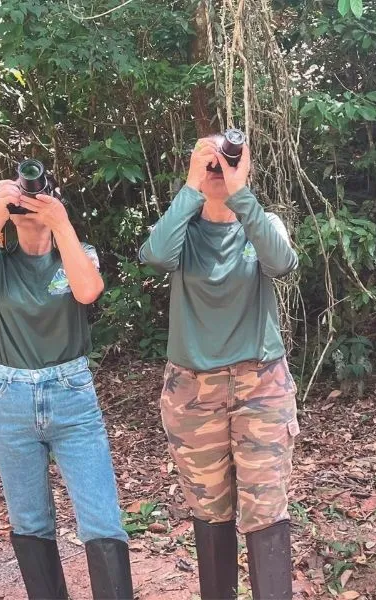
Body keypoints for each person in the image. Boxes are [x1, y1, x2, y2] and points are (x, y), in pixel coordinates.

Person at [0, 175, 133, 599]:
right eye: (21, 197)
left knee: (101, 517)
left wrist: (61, 222)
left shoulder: (77, 254)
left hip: (71, 394)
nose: (28, 202)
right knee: (29, 521)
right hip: (8, 398)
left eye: (35, 194)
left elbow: (88, 291)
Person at [140, 132, 299, 600]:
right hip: (192, 391)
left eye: (226, 162)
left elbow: (282, 262)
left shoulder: (261, 221)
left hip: (261, 385)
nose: (217, 169)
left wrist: (239, 190)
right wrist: (193, 185)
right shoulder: (182, 234)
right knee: (210, 509)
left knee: (265, 508)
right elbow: (154, 257)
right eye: (209, 163)